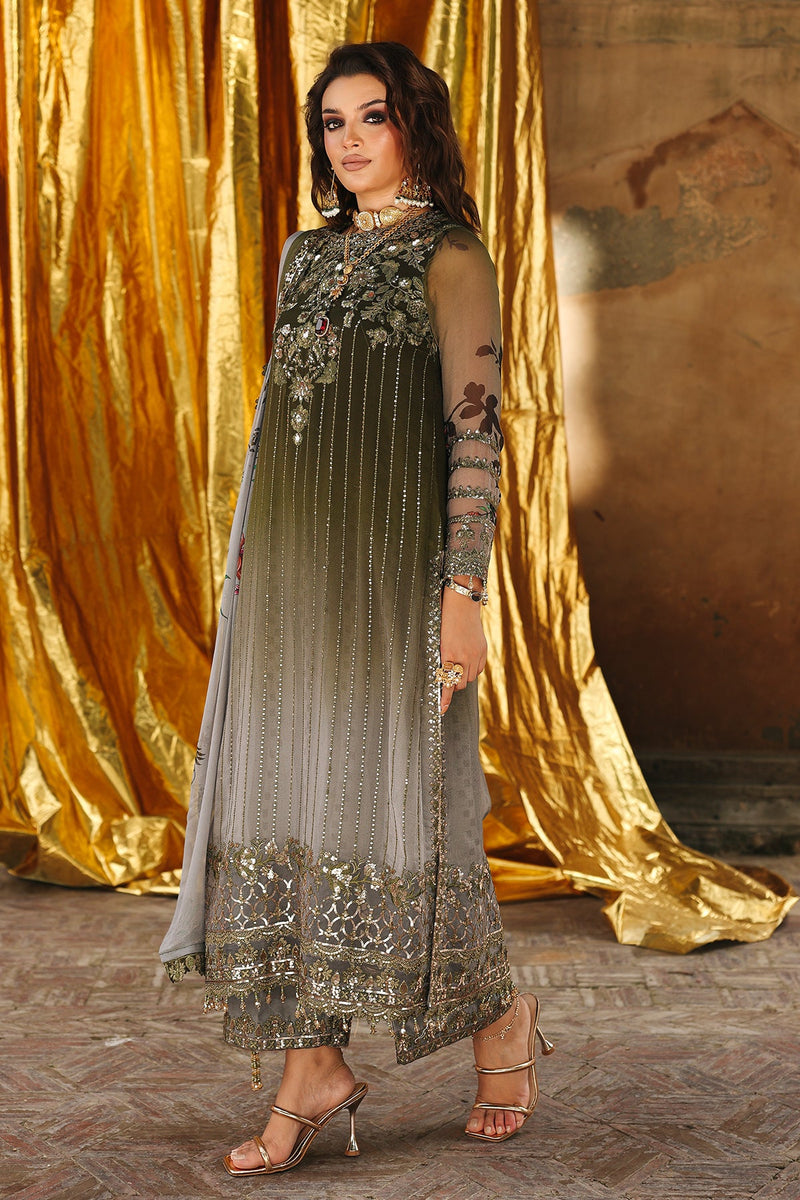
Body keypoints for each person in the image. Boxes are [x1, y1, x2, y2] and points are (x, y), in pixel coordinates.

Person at [159, 40, 553, 1177]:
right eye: (331, 122)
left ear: (413, 124)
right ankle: (329, 1054)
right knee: (295, 811)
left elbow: (473, 434)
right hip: (289, 582)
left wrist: (460, 594)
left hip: (392, 584)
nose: (347, 140)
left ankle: (465, 1027)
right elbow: (278, 426)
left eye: (369, 117)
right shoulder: (303, 253)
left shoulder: (451, 257)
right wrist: (249, 568)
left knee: (404, 812)